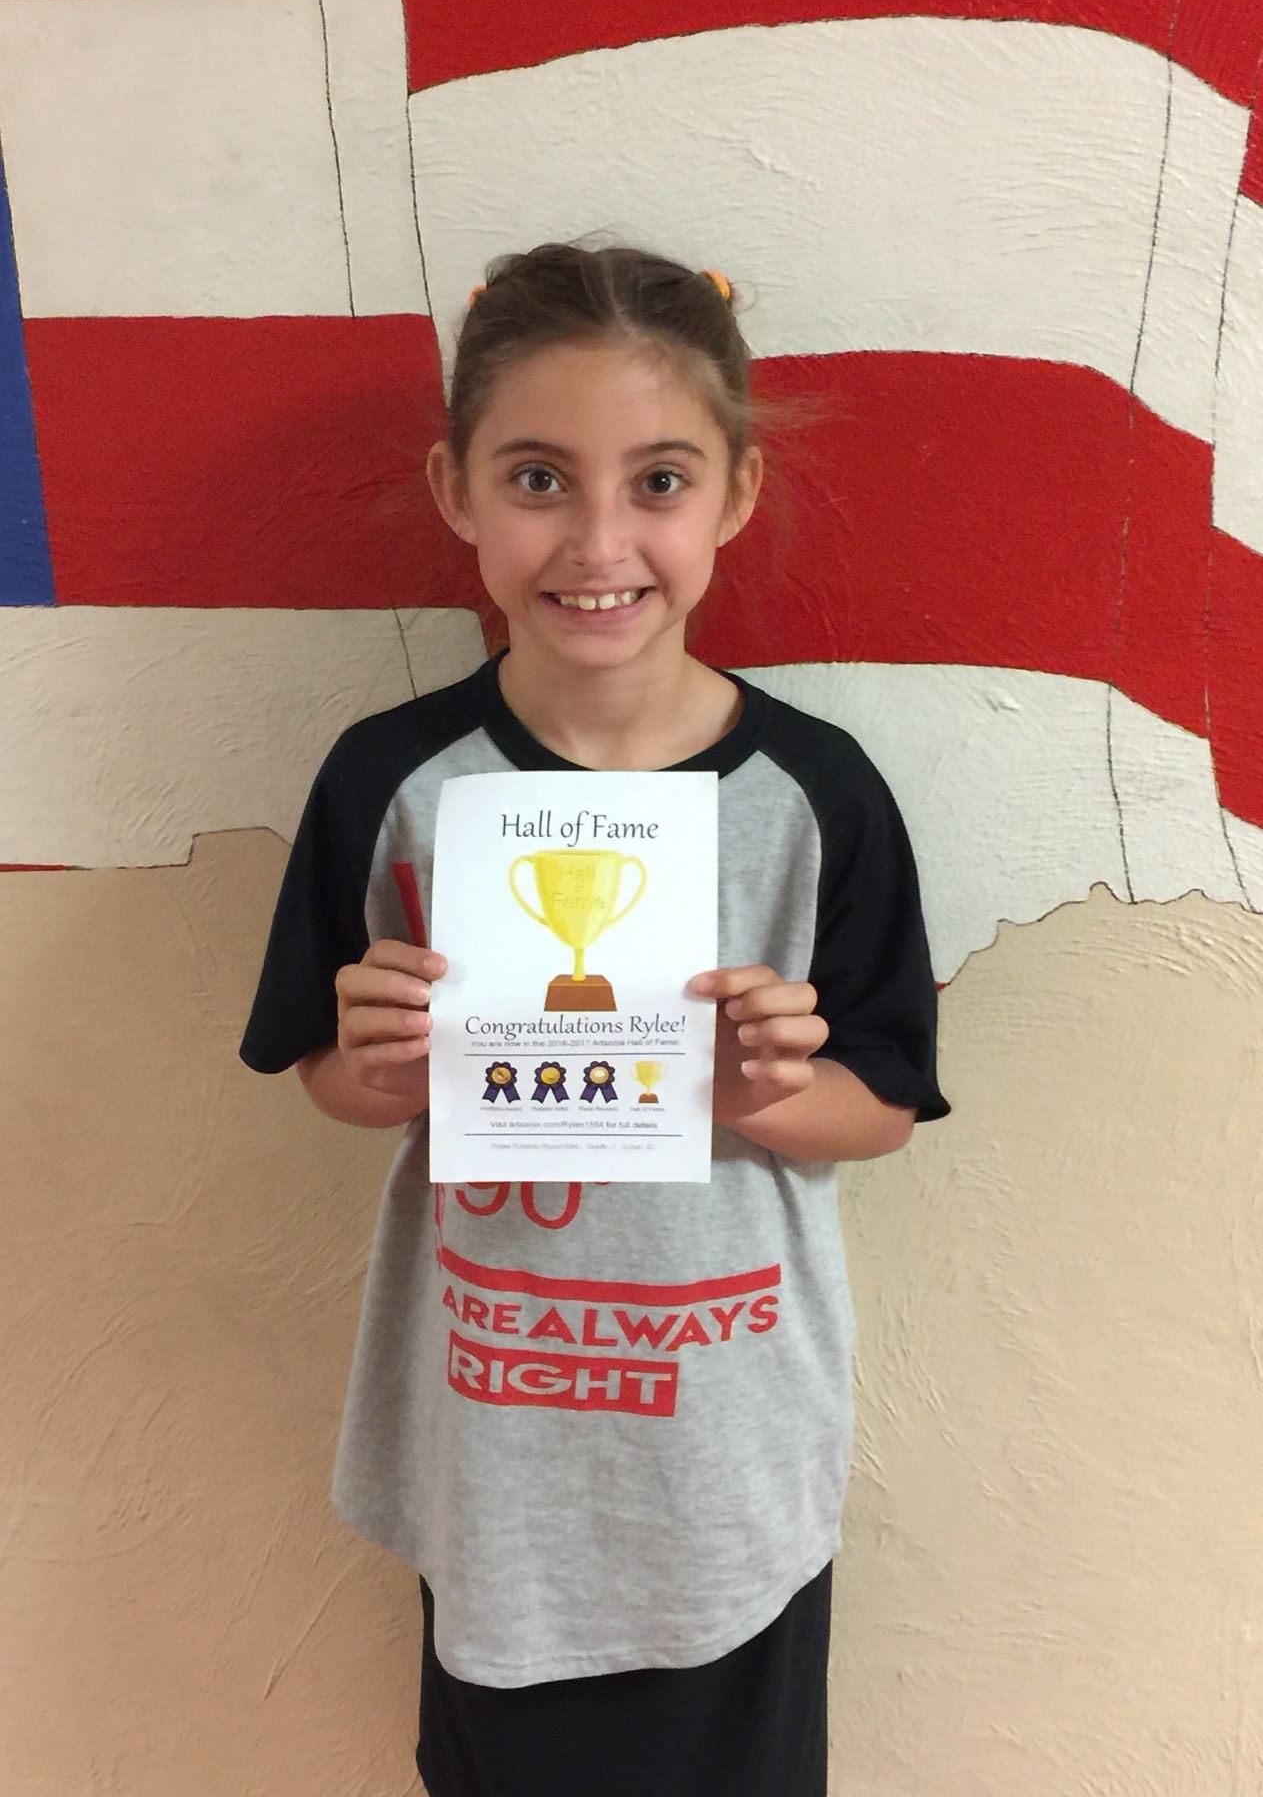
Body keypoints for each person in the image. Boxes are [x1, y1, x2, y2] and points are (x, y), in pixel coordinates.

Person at [239, 239, 951, 1797]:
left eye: (660, 481)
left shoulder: (819, 796)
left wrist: (764, 1090)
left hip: (727, 1447)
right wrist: (378, 1068)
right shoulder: (393, 782)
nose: (599, 540)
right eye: (540, 479)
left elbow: (886, 1105)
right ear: (459, 492)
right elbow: (325, 1073)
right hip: (497, 1447)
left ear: (736, 494)